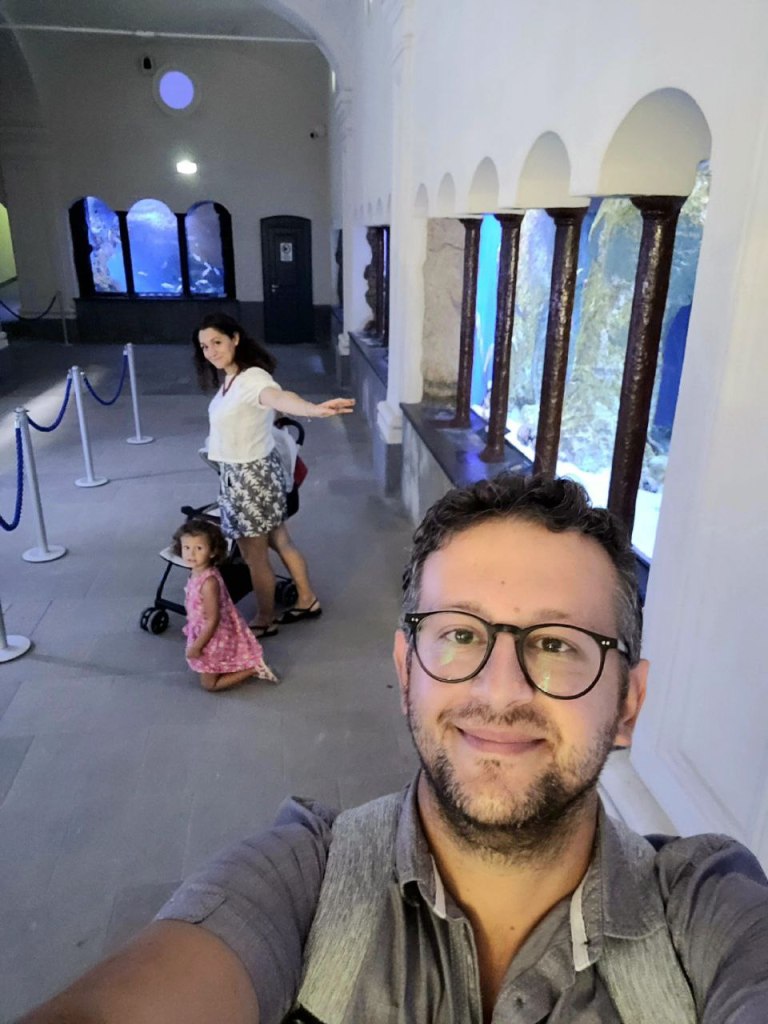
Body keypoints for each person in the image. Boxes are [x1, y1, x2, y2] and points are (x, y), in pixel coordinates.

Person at [19, 475, 768, 1023]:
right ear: (407, 672)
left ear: (629, 704)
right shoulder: (300, 882)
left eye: (557, 644)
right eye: (461, 634)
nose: (501, 689)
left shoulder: (709, 911)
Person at [193, 312, 355, 638]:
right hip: (253, 474)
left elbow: (278, 397)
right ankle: (307, 599)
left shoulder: (252, 379)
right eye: (205, 346)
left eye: (217, 342)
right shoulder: (232, 379)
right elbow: (268, 408)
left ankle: (265, 619)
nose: (211, 351)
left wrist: (313, 409)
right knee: (280, 540)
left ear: (235, 338)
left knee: (254, 556)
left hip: (249, 480)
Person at [173, 518, 279, 691]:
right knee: (213, 664)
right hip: (205, 629)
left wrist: (197, 646)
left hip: (212, 635)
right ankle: (234, 664)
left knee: (209, 684)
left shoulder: (208, 583)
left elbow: (212, 620)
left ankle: (254, 668)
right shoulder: (197, 572)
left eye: (198, 548)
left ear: (213, 552)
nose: (191, 554)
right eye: (187, 548)